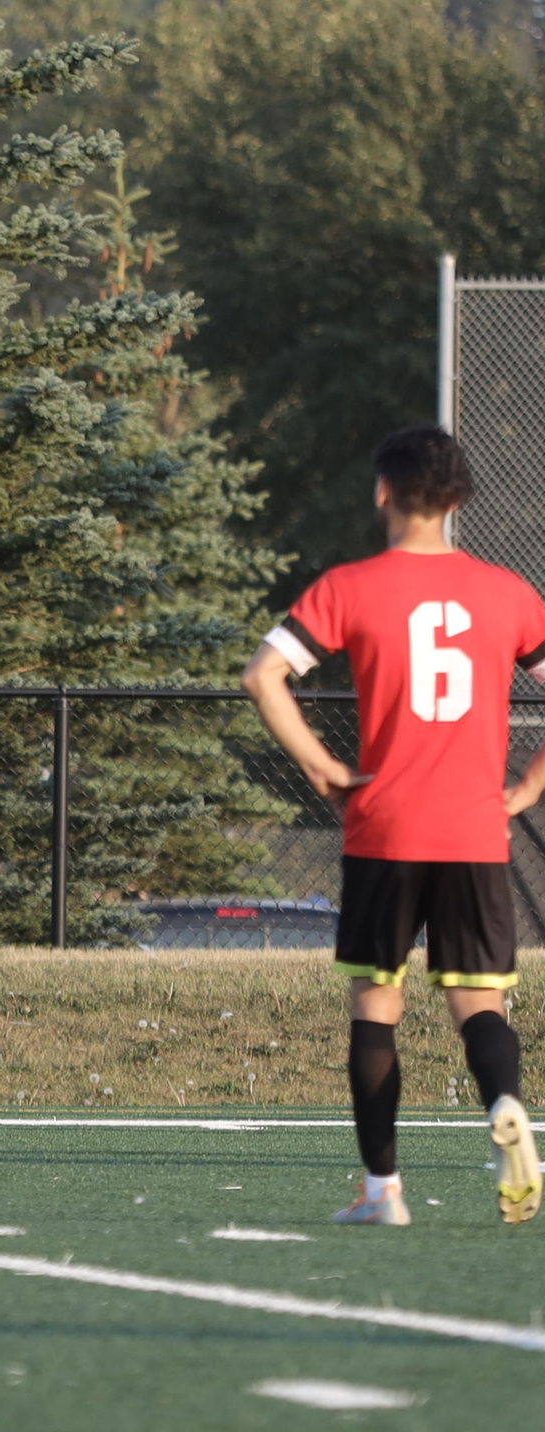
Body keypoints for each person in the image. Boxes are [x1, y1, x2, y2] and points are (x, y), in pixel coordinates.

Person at [242, 424, 545, 1226]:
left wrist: (323, 765)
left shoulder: (350, 587)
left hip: (384, 828)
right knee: (481, 1004)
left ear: (383, 491)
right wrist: (526, 787)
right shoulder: (509, 593)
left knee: (376, 1005)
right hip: (476, 834)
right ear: (459, 500)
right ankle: (507, 1107)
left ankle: (383, 1193)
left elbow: (263, 674)